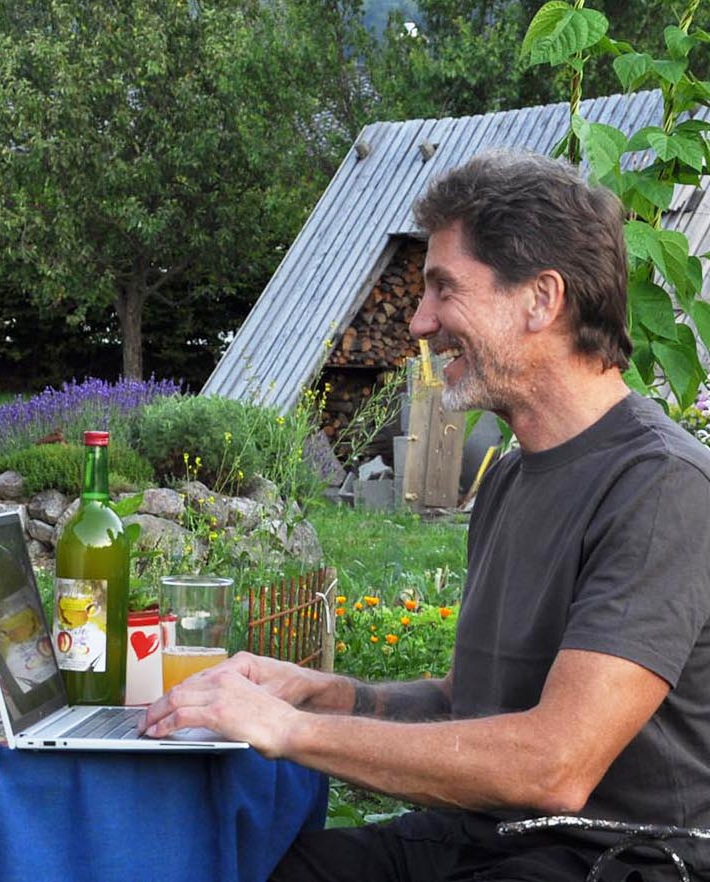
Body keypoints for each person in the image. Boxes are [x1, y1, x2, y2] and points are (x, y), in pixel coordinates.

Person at [144, 150, 710, 881]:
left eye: (444, 289)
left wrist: (293, 730)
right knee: (248, 867)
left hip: (616, 858)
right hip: (490, 839)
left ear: (542, 299)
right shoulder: (510, 480)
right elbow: (465, 704)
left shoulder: (659, 488)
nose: (419, 322)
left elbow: (553, 766)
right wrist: (329, 693)